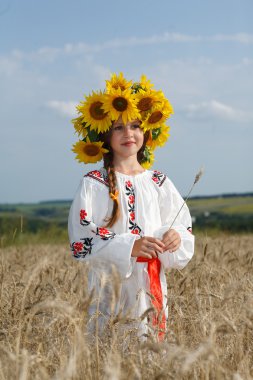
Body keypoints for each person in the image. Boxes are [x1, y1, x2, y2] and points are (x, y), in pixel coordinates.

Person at [68, 73, 194, 340]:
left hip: (151, 285)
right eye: (118, 127)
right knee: (110, 350)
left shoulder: (159, 182)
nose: (129, 133)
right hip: (109, 288)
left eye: (136, 126)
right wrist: (128, 246)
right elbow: (81, 238)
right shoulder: (94, 183)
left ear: (146, 133)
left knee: (150, 354)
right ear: (105, 135)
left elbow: (182, 225)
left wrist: (176, 237)